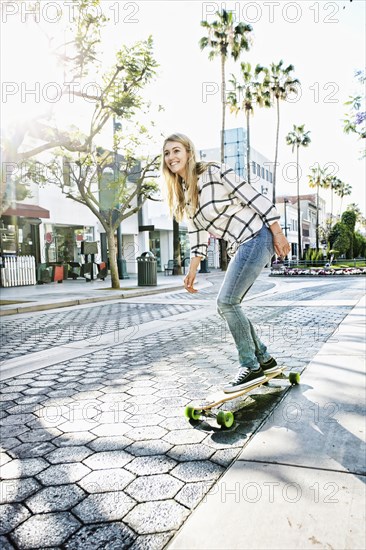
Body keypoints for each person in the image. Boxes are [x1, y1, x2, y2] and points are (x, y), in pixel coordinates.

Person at [162, 133, 291, 393]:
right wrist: (192, 268)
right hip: (242, 245)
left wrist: (278, 232)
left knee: (226, 302)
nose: (171, 157)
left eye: (176, 151)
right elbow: (197, 231)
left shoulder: (214, 171)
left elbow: (254, 197)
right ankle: (264, 359)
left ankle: (250, 366)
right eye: (166, 153)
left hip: (257, 236)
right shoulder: (185, 193)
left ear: (188, 152)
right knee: (229, 305)